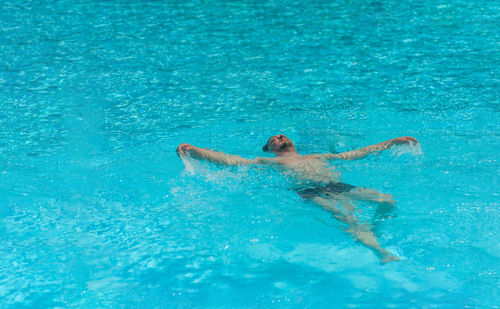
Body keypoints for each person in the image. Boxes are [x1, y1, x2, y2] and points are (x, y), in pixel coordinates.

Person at [176, 134, 418, 263]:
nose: (281, 136)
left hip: (336, 185)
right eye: (274, 138)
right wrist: (196, 151)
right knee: (345, 216)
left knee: (387, 200)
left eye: (282, 135)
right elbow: (230, 160)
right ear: (269, 148)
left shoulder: (318, 155)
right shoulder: (268, 161)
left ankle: (372, 230)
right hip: (310, 190)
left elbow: (358, 153)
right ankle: (381, 253)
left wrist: (393, 142)